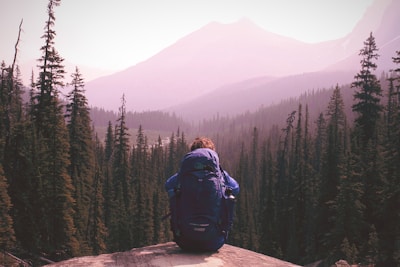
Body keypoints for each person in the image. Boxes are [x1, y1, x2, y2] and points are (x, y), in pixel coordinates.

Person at [165, 137, 239, 251]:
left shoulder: (184, 174)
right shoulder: (220, 174)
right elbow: (235, 188)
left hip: (184, 241)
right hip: (215, 241)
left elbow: (168, 185)